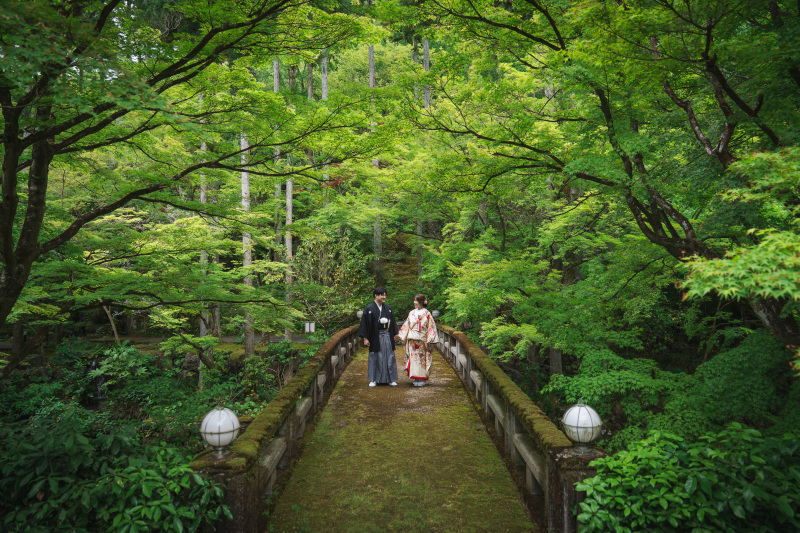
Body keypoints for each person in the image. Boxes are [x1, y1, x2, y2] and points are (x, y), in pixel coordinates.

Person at [357, 287, 400, 387]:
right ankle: (374, 379)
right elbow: (365, 324)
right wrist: (365, 338)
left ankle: (390, 379)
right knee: (375, 356)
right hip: (375, 337)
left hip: (387, 336)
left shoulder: (388, 308)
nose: (384, 297)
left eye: (385, 295)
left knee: (389, 356)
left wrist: (396, 334)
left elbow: (393, 322)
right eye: (382, 295)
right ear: (376, 296)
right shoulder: (369, 309)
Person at [398, 294, 439, 386]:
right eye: (414, 300)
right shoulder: (411, 312)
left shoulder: (427, 313)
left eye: (416, 301)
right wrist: (401, 334)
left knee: (422, 359)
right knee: (413, 359)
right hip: (412, 340)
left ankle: (422, 378)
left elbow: (431, 327)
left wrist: (432, 341)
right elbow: (406, 325)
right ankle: (416, 378)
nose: (414, 302)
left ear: (421, 302)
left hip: (422, 341)